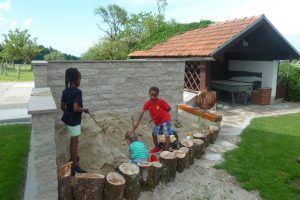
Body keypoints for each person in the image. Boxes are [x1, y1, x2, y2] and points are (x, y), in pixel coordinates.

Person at [60, 68, 89, 176]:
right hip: (74, 121)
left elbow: (62, 107)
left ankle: (73, 157)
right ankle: (74, 166)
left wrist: (68, 113)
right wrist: (84, 110)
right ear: (75, 79)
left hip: (67, 119)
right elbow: (76, 108)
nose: (80, 81)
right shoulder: (77, 91)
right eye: (80, 79)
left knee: (73, 139)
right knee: (75, 141)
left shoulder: (65, 91)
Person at [133, 86, 172, 153]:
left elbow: (168, 108)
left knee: (166, 135)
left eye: (155, 96)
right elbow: (142, 112)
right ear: (149, 94)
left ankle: (166, 151)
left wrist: (162, 115)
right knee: (154, 134)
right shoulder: (147, 103)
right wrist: (137, 123)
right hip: (158, 122)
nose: (153, 97)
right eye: (152, 95)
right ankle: (157, 148)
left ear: (157, 95)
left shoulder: (161, 101)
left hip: (165, 119)